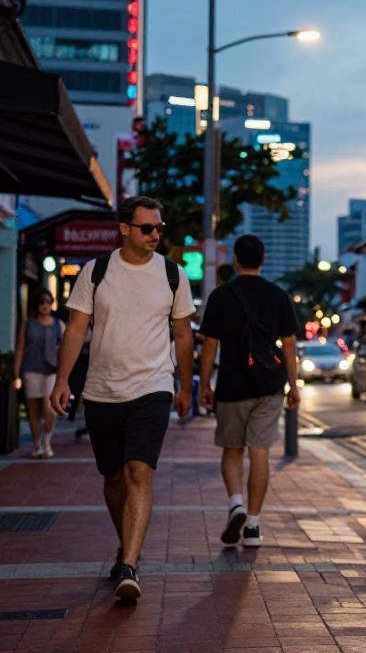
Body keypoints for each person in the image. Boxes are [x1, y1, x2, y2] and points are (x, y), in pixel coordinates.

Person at [49, 197, 196, 601]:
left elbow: (183, 335)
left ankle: (129, 564)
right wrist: (63, 380)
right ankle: (125, 546)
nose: (155, 235)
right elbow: (76, 329)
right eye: (147, 228)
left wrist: (185, 386)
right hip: (101, 390)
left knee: (138, 473)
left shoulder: (172, 274)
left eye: (159, 228)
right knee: (113, 478)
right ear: (125, 229)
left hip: (152, 387)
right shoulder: (96, 272)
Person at [197, 234, 300, 549]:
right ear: (263, 259)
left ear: (235, 260)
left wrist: (204, 384)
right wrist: (293, 386)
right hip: (269, 386)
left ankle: (236, 503)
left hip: (231, 385)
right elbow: (289, 344)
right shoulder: (279, 296)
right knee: (260, 452)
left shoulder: (220, 296)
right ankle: (253, 525)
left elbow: (210, 345)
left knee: (232, 450)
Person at [14, 289, 63, 459]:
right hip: (31, 368)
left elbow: (65, 349)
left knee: (49, 406)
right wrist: (16, 373)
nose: (45, 305)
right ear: (36, 305)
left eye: (48, 302)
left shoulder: (58, 324)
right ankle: (37, 444)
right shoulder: (28, 324)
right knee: (33, 409)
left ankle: (47, 440)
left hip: (52, 370)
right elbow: (21, 348)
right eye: (42, 302)